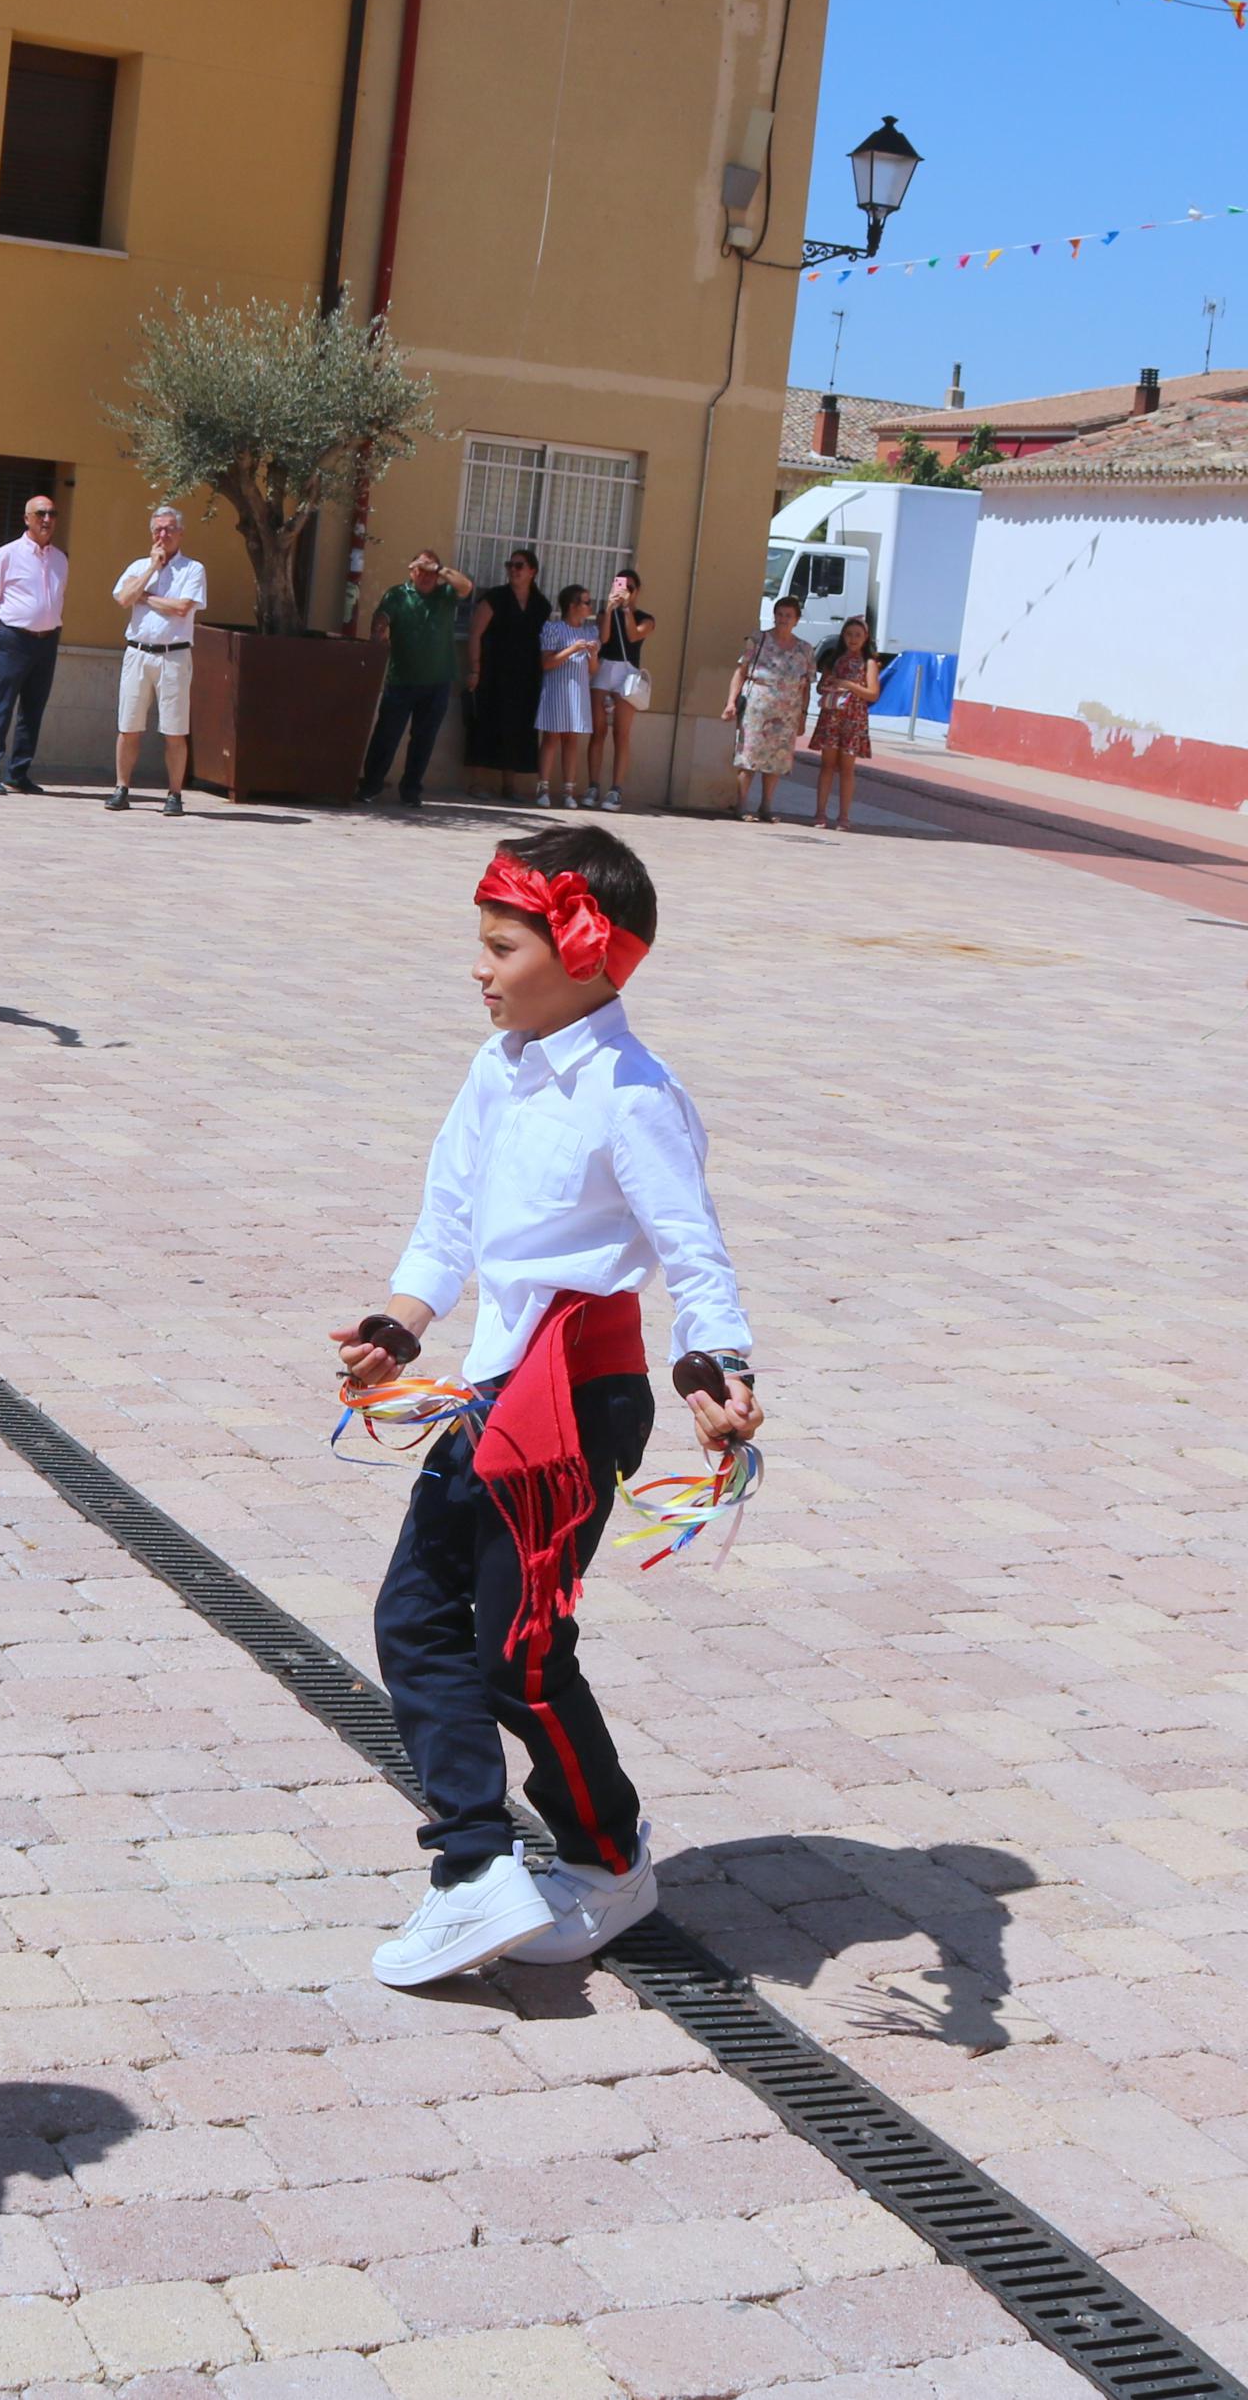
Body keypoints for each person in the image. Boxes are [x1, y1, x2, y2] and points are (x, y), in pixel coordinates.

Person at [333, 824, 764, 1985]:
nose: (478, 968)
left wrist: (715, 1372)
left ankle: (606, 1860)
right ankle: (475, 1865)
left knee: (517, 1657)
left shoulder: (633, 1094)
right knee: (415, 1618)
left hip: (578, 1396)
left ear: (581, 952)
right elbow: (450, 1218)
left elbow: (691, 1248)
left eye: (499, 945)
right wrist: (398, 1325)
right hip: (490, 1388)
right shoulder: (497, 1066)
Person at [107, 504, 208, 816]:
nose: (162, 535)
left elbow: (182, 608)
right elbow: (124, 598)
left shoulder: (193, 569)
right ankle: (122, 788)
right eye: (157, 529)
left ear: (180, 532)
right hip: (137, 653)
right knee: (128, 726)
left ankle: (174, 794)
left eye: (168, 529)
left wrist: (146, 598)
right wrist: (151, 569)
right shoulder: (139, 566)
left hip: (173, 656)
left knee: (175, 730)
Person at [358, 548, 470, 807]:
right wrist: (380, 630)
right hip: (401, 680)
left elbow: (466, 587)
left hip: (438, 681)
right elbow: (383, 616)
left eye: (431, 571)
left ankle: (411, 791)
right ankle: (370, 786)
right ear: (411, 571)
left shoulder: (445, 595)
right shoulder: (398, 595)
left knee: (424, 739)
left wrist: (439, 569)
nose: (425, 576)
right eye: (420, 570)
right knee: (386, 735)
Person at [0, 490, 67, 795]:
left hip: (47, 640)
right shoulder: (7, 554)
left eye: (52, 514)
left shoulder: (60, 559)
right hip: (14, 638)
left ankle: (19, 772)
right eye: (41, 514)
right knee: (3, 706)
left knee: (33, 708)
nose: (47, 520)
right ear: (26, 519)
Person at [464, 550, 549, 803]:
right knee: (483, 724)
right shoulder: (495, 598)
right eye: (510, 565)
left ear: (532, 571)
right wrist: (475, 669)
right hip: (491, 673)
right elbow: (475, 633)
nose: (513, 569)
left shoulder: (541, 605)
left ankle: (509, 785)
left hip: (525, 677)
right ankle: (476, 783)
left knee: (517, 728)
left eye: (519, 565)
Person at [726, 598, 814, 823]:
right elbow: (741, 671)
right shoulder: (758, 640)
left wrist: (803, 715)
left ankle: (766, 805)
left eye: (789, 616)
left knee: (777, 759)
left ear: (796, 620)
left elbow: (806, 685)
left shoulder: (805, 649)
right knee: (749, 755)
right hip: (758, 706)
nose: (783, 619)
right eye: (780, 614)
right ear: (774, 615)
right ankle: (742, 804)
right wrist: (731, 702)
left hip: (787, 711)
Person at [806, 613, 884, 832]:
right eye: (849, 634)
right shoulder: (834, 659)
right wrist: (831, 685)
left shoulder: (869, 663)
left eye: (857, 635)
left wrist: (849, 685)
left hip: (854, 717)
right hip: (832, 716)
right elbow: (821, 687)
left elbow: (872, 694)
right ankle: (820, 813)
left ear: (866, 637)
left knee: (847, 769)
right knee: (827, 765)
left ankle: (844, 816)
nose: (852, 639)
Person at [589, 568, 653, 814]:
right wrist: (609, 609)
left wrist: (626, 609)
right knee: (598, 730)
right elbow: (604, 639)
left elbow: (633, 636)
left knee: (621, 734)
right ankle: (593, 785)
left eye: (630, 588)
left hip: (627, 674)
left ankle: (616, 789)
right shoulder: (607, 612)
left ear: (637, 591)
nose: (624, 592)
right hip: (605, 668)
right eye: (620, 586)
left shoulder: (646, 618)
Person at [535, 585, 600, 808]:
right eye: (586, 602)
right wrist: (571, 649)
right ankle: (543, 787)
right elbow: (547, 662)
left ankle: (568, 791)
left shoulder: (590, 632)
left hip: (578, 692)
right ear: (572, 606)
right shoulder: (554, 629)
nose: (590, 606)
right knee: (551, 736)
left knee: (572, 739)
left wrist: (592, 654)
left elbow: (593, 670)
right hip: (556, 689)